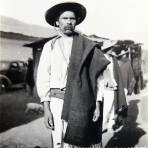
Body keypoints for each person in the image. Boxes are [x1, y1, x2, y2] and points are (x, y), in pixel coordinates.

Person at [36, 2, 127, 148]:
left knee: (81, 142)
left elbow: (97, 78)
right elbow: (43, 78)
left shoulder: (87, 45)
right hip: (57, 102)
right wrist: (46, 108)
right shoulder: (50, 46)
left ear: (76, 21)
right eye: (64, 18)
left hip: (82, 102)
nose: (68, 22)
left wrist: (97, 104)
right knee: (59, 140)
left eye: (72, 18)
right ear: (57, 22)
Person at [97, 41, 128, 147]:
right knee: (104, 108)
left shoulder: (113, 59)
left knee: (111, 107)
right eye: (111, 47)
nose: (113, 49)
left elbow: (117, 74)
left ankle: (110, 124)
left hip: (112, 87)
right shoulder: (100, 58)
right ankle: (102, 126)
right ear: (107, 48)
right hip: (104, 87)